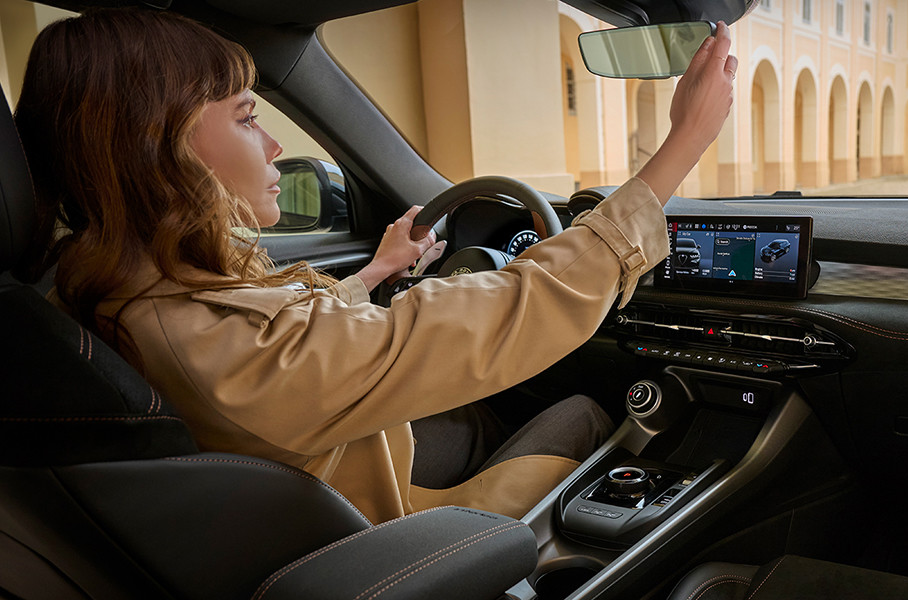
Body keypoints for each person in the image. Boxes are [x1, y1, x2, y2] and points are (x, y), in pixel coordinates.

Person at [13, 7, 736, 523]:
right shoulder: (203, 335)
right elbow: (497, 315)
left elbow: (297, 344)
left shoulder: (112, 286)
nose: (271, 148)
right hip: (384, 533)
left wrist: (375, 273)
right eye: (245, 116)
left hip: (325, 474)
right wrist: (677, 152)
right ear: (158, 145)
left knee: (471, 415)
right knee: (582, 410)